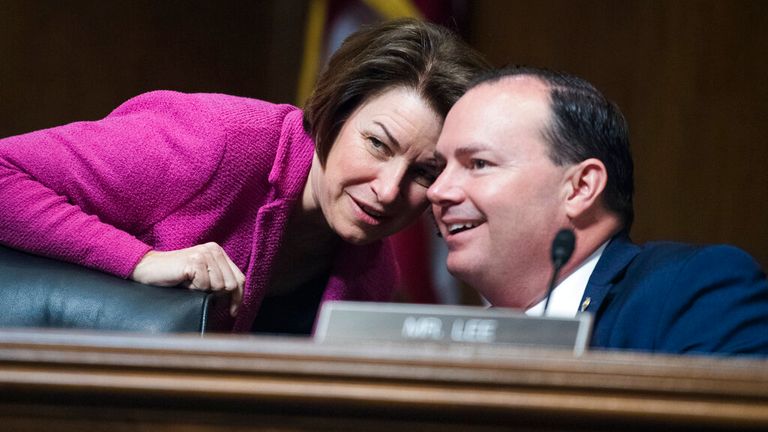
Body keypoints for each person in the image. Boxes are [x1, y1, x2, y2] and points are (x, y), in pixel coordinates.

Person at [0, 18, 490, 333]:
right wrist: (141, 261)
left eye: (424, 172)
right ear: (333, 115)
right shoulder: (213, 141)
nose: (388, 191)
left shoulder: (376, 274)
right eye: (378, 144)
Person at [427, 65, 768, 355]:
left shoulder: (693, 291)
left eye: (479, 163)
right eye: (440, 168)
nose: (438, 191)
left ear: (580, 188)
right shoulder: (442, 340)